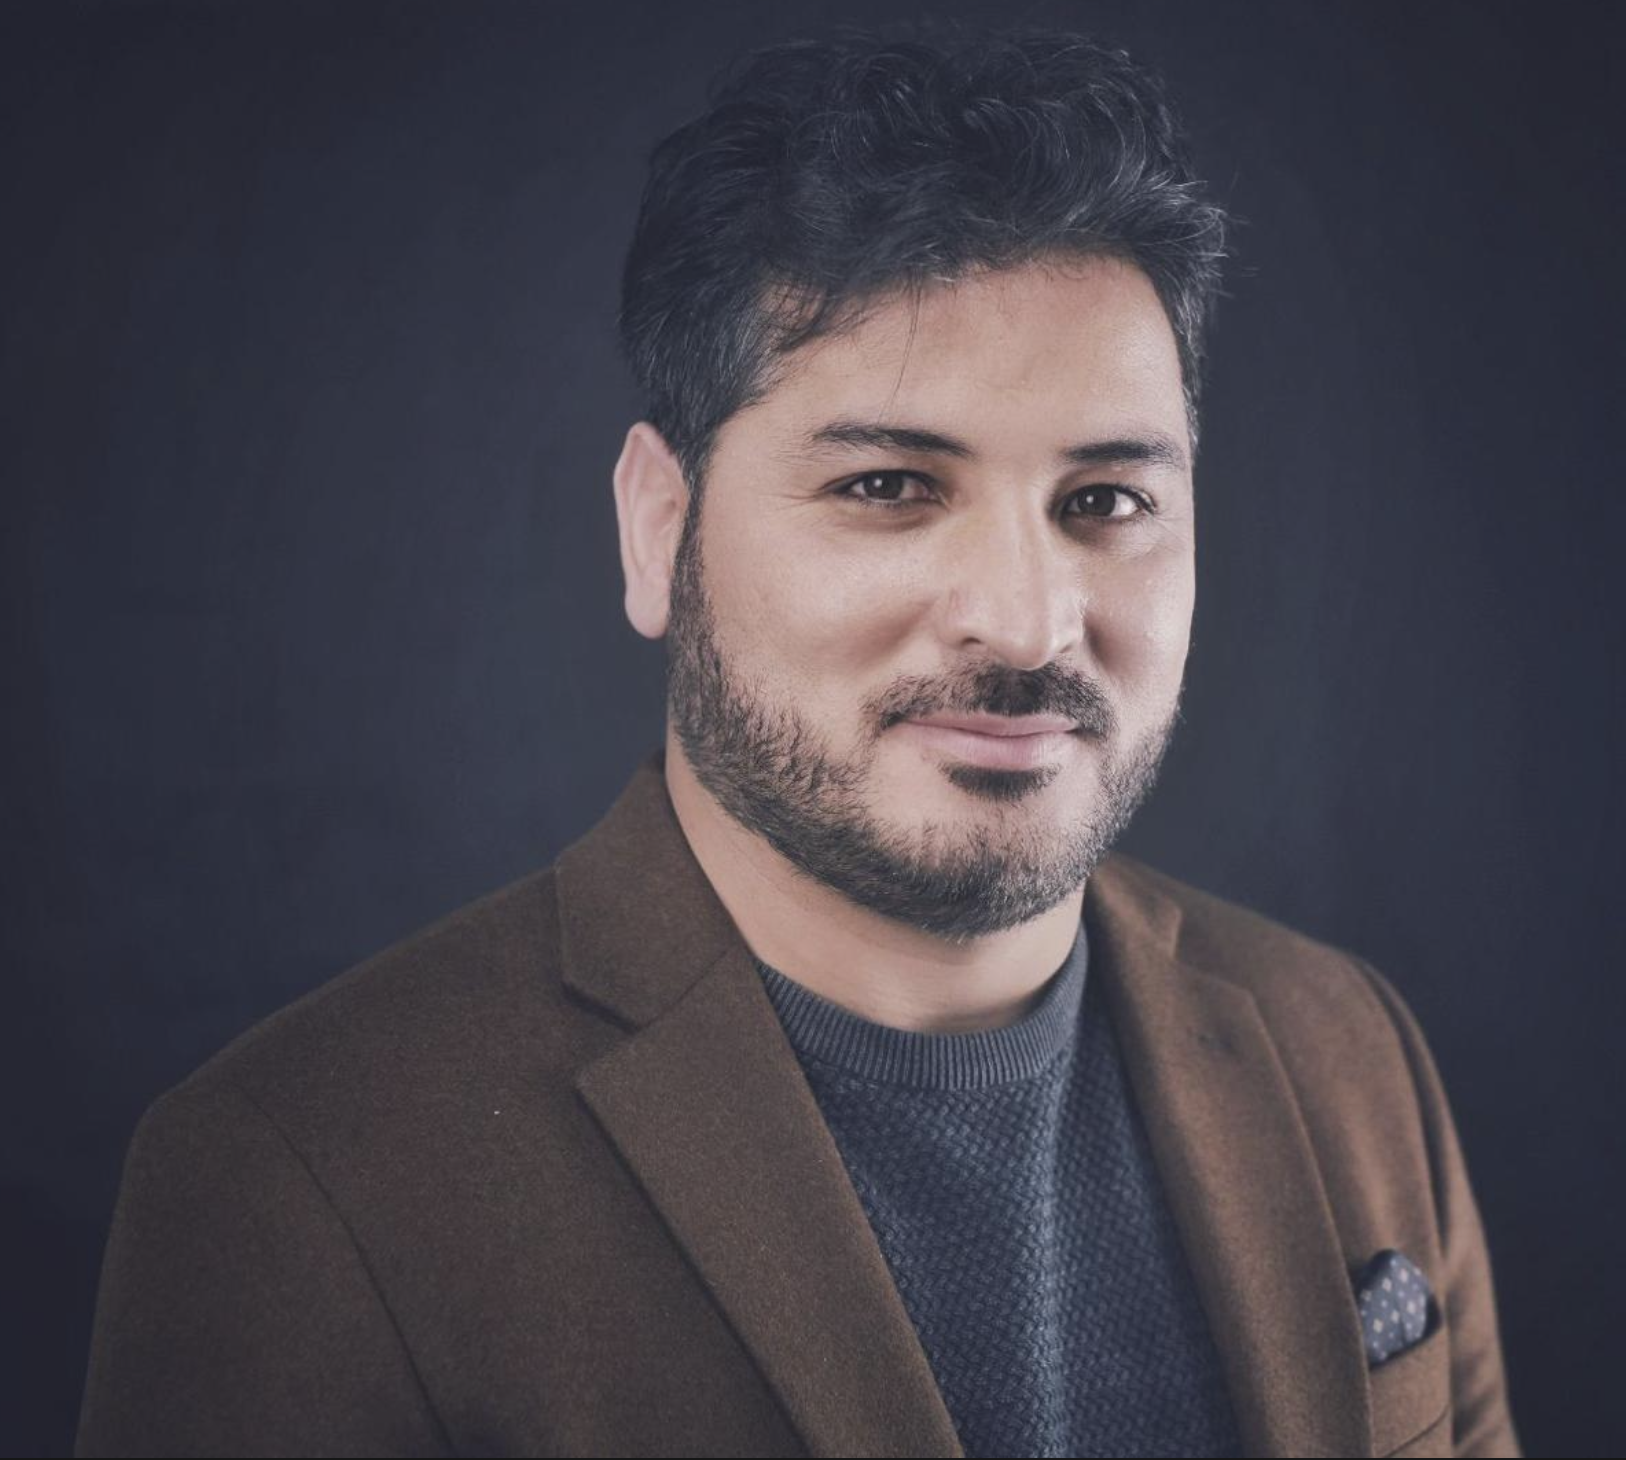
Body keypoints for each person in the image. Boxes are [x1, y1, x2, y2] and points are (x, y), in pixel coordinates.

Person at [75, 23, 1520, 1459]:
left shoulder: (1346, 1050)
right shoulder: (302, 1183)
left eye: (1104, 502)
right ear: (660, 530)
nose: (1026, 625)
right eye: (889, 485)